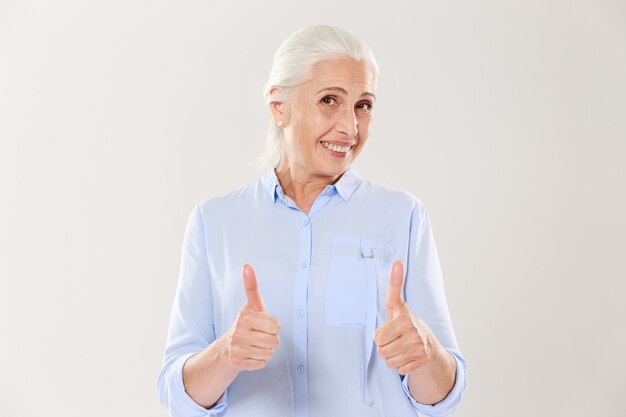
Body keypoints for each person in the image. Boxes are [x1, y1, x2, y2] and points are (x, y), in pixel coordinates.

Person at [157, 25, 467, 417]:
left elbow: (444, 397)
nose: (350, 127)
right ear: (279, 106)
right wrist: (226, 354)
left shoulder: (403, 216)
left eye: (363, 105)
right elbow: (176, 395)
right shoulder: (214, 221)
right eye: (329, 100)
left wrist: (425, 353)